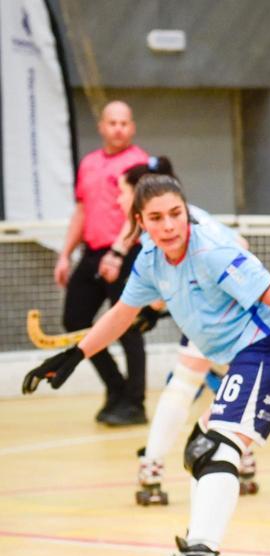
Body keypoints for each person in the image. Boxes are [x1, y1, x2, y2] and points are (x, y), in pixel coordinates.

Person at [23, 174, 270, 556]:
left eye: (176, 213)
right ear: (140, 223)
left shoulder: (212, 247)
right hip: (242, 356)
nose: (170, 224)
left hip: (269, 348)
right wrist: (74, 356)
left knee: (218, 447)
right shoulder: (151, 259)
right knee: (200, 451)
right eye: (156, 218)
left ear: (186, 210)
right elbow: (121, 314)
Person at [109, 157, 261, 506]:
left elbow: (237, 251)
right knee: (223, 382)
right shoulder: (174, 218)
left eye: (122, 192)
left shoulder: (182, 221)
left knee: (184, 383)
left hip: (225, 313)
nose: (118, 200)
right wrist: (155, 306)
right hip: (222, 314)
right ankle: (243, 460)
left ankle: (152, 467)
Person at [53, 100, 149, 425]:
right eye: (112, 122)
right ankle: (116, 388)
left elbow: (137, 215)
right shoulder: (89, 163)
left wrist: (118, 252)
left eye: (124, 123)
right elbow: (81, 212)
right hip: (92, 253)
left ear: (132, 127)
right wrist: (66, 254)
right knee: (75, 320)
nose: (118, 128)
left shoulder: (138, 164)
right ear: (102, 127)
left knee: (128, 328)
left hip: (125, 251)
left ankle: (134, 403)